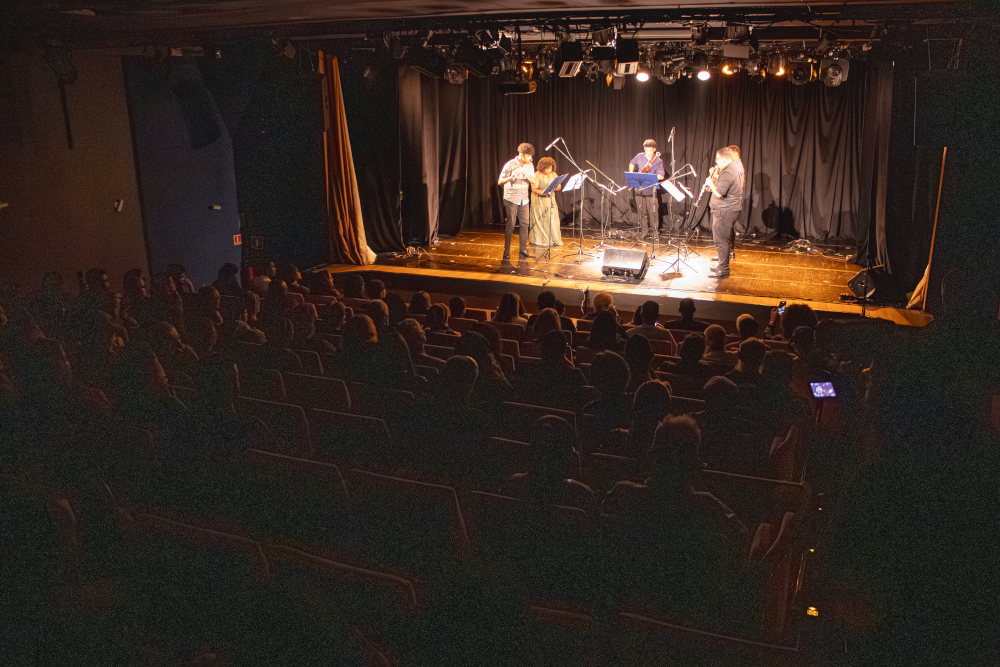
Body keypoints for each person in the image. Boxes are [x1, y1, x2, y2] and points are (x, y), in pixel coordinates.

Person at [704, 147, 743, 279]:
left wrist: (710, 182)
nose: (716, 162)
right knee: (720, 240)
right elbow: (721, 189)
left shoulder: (728, 172)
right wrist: (712, 188)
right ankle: (721, 266)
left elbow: (720, 193)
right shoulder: (728, 169)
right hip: (725, 209)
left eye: (718, 159)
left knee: (720, 240)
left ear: (725, 159)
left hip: (725, 210)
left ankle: (723, 270)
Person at [497, 142, 538, 260]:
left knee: (525, 224)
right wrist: (510, 177)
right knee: (511, 224)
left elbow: (533, 181)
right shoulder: (510, 164)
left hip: (524, 199)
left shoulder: (529, 165)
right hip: (511, 198)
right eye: (529, 155)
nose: (531, 158)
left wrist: (526, 175)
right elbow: (500, 181)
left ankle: (523, 250)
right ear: (522, 154)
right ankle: (507, 251)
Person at [628, 139, 665, 240]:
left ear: (654, 149)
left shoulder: (658, 160)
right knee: (642, 212)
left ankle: (654, 232)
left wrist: (651, 176)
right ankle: (644, 232)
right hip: (638, 190)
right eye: (647, 150)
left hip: (651, 191)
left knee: (653, 213)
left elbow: (661, 176)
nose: (648, 153)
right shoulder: (640, 156)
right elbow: (632, 163)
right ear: (644, 149)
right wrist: (631, 175)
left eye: (651, 150)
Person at [528, 157, 562, 247]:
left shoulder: (553, 174)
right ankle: (541, 240)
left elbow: (559, 187)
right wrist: (545, 192)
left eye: (550, 168)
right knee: (541, 220)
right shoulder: (537, 174)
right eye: (547, 168)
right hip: (539, 201)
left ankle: (553, 239)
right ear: (542, 167)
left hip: (550, 201)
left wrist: (553, 187)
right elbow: (534, 189)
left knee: (552, 220)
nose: (549, 170)